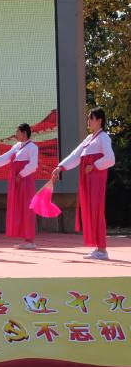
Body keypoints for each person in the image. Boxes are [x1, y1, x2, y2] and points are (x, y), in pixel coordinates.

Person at [51, 108, 115, 260]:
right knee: (90, 211)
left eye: (91, 118)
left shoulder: (103, 137)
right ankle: (98, 248)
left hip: (96, 180)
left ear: (99, 121)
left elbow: (110, 158)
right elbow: (75, 155)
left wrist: (94, 166)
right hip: (86, 180)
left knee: (97, 211)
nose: (89, 121)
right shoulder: (89, 138)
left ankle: (102, 249)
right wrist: (60, 167)